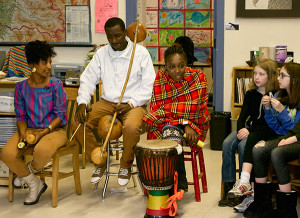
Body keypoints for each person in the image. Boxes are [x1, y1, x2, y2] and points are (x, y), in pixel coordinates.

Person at [74, 17, 155, 186]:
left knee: (132, 128)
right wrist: (82, 102)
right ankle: (99, 159)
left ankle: (125, 165)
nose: (114, 41)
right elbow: (88, 79)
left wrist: (131, 103)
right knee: (77, 123)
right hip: (107, 103)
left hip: (134, 103)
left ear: (126, 33)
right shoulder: (102, 54)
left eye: (118, 36)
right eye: (109, 37)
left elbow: (149, 86)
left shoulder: (140, 53)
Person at [1, 40, 68, 205]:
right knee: (7, 154)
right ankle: (34, 184)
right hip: (29, 130)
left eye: (50, 62)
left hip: (54, 130)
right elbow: (21, 116)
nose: (49, 66)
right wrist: (23, 133)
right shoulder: (21, 87)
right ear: (32, 64)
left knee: (42, 150)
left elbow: (60, 115)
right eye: (44, 62)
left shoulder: (56, 85)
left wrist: (42, 133)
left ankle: (25, 173)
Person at [141, 44, 210, 192]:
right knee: (168, 132)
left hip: (195, 128)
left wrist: (184, 121)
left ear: (187, 64)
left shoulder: (198, 77)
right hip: (171, 125)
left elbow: (195, 110)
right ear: (165, 66)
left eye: (181, 66)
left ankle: (174, 184)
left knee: (168, 132)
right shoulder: (161, 77)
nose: (177, 71)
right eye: (172, 67)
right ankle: (176, 181)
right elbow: (157, 108)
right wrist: (183, 122)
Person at [242, 62, 300, 218]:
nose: (278, 78)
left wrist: (281, 111)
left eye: (283, 75)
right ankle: (262, 203)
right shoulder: (280, 96)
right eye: (279, 74)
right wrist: (268, 110)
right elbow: (275, 127)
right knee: (258, 149)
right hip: (283, 135)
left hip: (295, 138)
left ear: (294, 79)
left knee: (276, 153)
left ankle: (287, 210)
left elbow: (293, 129)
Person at [219, 59, 278, 210]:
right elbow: (242, 116)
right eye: (255, 73)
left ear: (270, 76)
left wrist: (248, 132)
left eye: (261, 74)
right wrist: (240, 130)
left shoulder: (275, 96)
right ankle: (229, 190)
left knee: (245, 145)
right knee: (227, 144)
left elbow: (269, 125)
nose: (256, 77)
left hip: (262, 131)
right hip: (248, 127)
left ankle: (244, 190)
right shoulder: (251, 93)